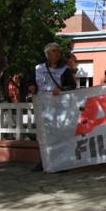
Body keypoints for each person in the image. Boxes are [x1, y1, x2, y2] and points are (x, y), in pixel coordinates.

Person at [28, 42, 77, 172]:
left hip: (58, 106)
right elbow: (30, 80)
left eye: (58, 51)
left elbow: (72, 86)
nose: (57, 53)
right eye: (54, 51)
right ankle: (43, 161)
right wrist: (31, 85)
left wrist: (61, 89)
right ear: (47, 54)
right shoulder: (38, 68)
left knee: (58, 134)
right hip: (42, 105)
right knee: (43, 135)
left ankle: (60, 161)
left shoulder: (64, 69)